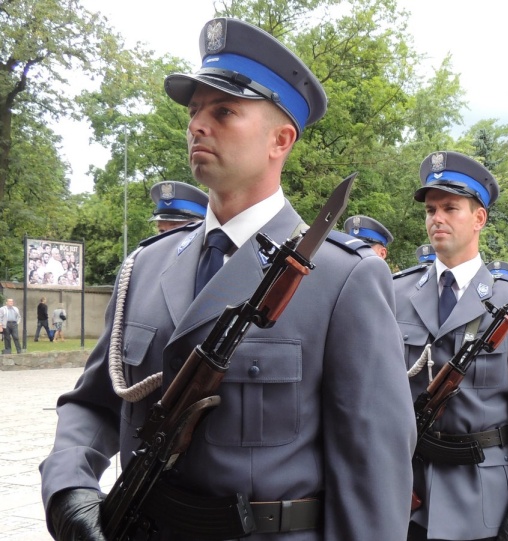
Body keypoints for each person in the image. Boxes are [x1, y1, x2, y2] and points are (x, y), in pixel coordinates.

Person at [40, 17, 416, 541]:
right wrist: (68, 488)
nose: (197, 124)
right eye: (194, 111)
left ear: (280, 139)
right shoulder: (147, 266)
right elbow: (94, 402)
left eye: (224, 111)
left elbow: (374, 473)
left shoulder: (342, 278)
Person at [394, 151, 508, 541]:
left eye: (451, 207)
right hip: (406, 490)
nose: (437, 218)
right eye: (431, 209)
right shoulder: (396, 292)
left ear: (479, 218)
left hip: (481, 493)